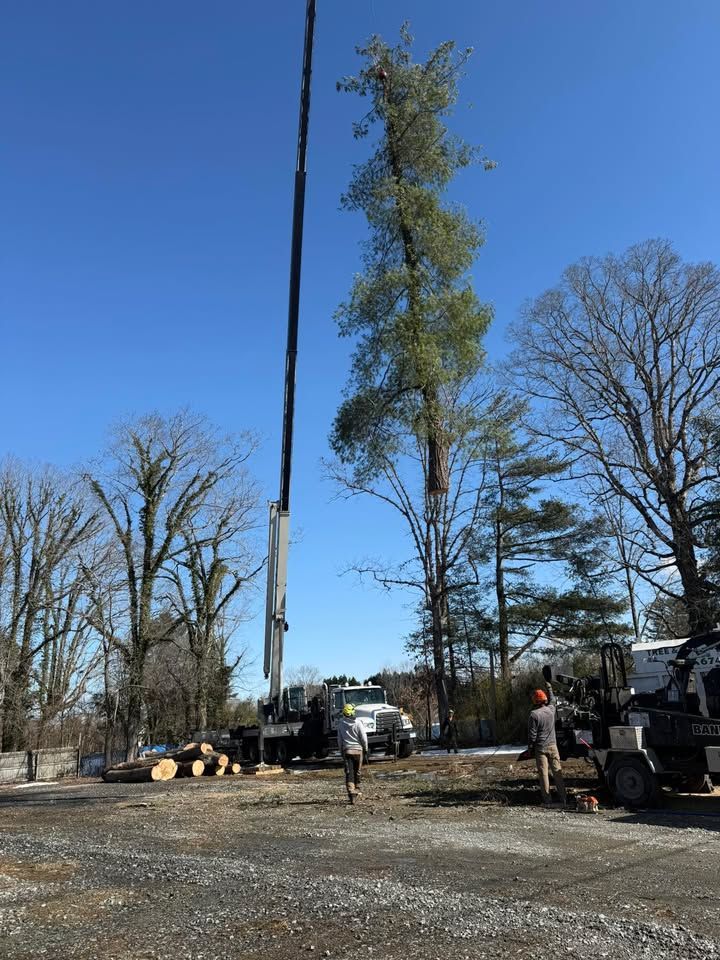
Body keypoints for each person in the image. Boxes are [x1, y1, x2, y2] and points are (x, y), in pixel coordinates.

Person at [528, 685, 567, 808]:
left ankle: (547, 800)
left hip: (540, 748)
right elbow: (553, 700)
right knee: (557, 773)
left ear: (535, 701)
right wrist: (549, 688)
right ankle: (563, 799)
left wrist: (530, 748)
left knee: (544, 774)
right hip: (553, 746)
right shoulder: (551, 710)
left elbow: (532, 735)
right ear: (544, 700)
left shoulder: (533, 715)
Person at [336, 703, 368, 804]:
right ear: (353, 712)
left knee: (349, 772)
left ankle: (351, 792)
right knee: (357, 771)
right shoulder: (358, 723)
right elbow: (363, 737)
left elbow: (339, 740)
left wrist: (341, 751)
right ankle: (358, 788)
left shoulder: (340, 724)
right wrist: (365, 748)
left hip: (347, 751)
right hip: (358, 751)